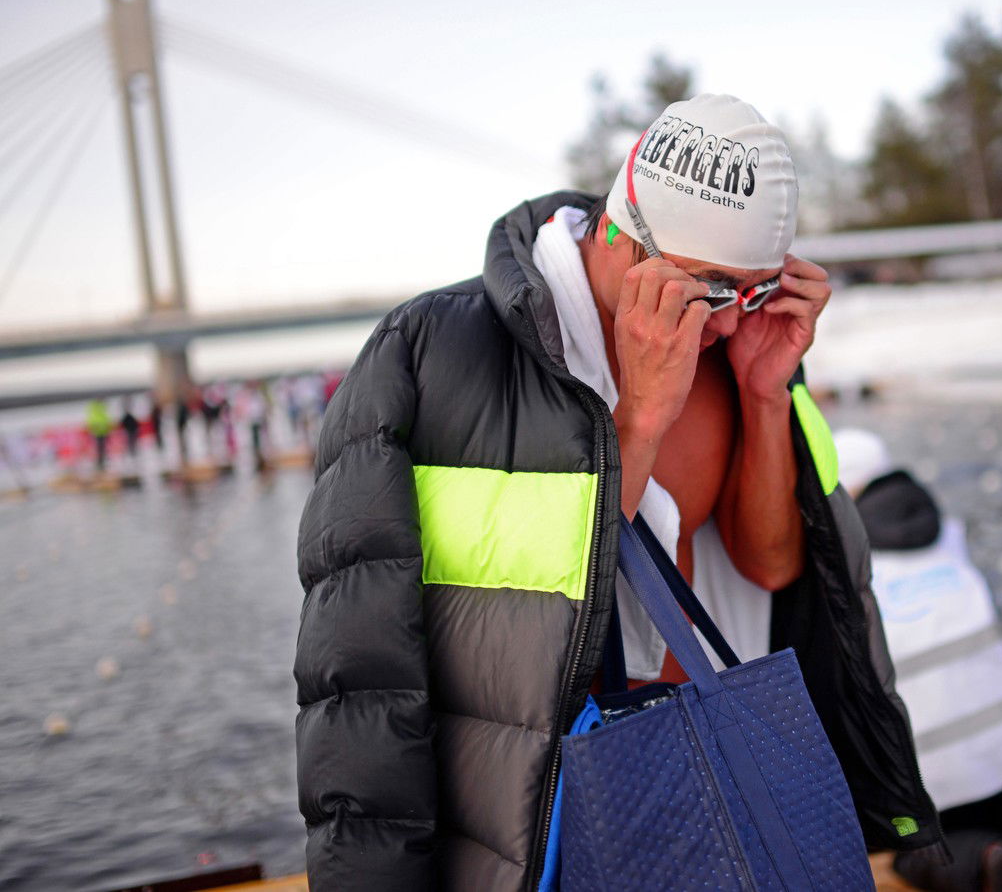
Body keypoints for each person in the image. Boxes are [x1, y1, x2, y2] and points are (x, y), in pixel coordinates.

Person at [293, 94, 945, 891]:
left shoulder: (736, 345)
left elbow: (772, 570)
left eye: (758, 290)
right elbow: (366, 669)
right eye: (710, 290)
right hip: (539, 817)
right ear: (620, 233)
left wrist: (767, 393)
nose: (732, 323)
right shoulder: (431, 355)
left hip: (718, 777)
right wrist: (635, 420)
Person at [834, 428, 1002, 892]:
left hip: (927, 751)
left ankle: (982, 861)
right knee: (989, 802)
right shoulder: (944, 530)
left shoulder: (845, 556)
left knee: (909, 843)